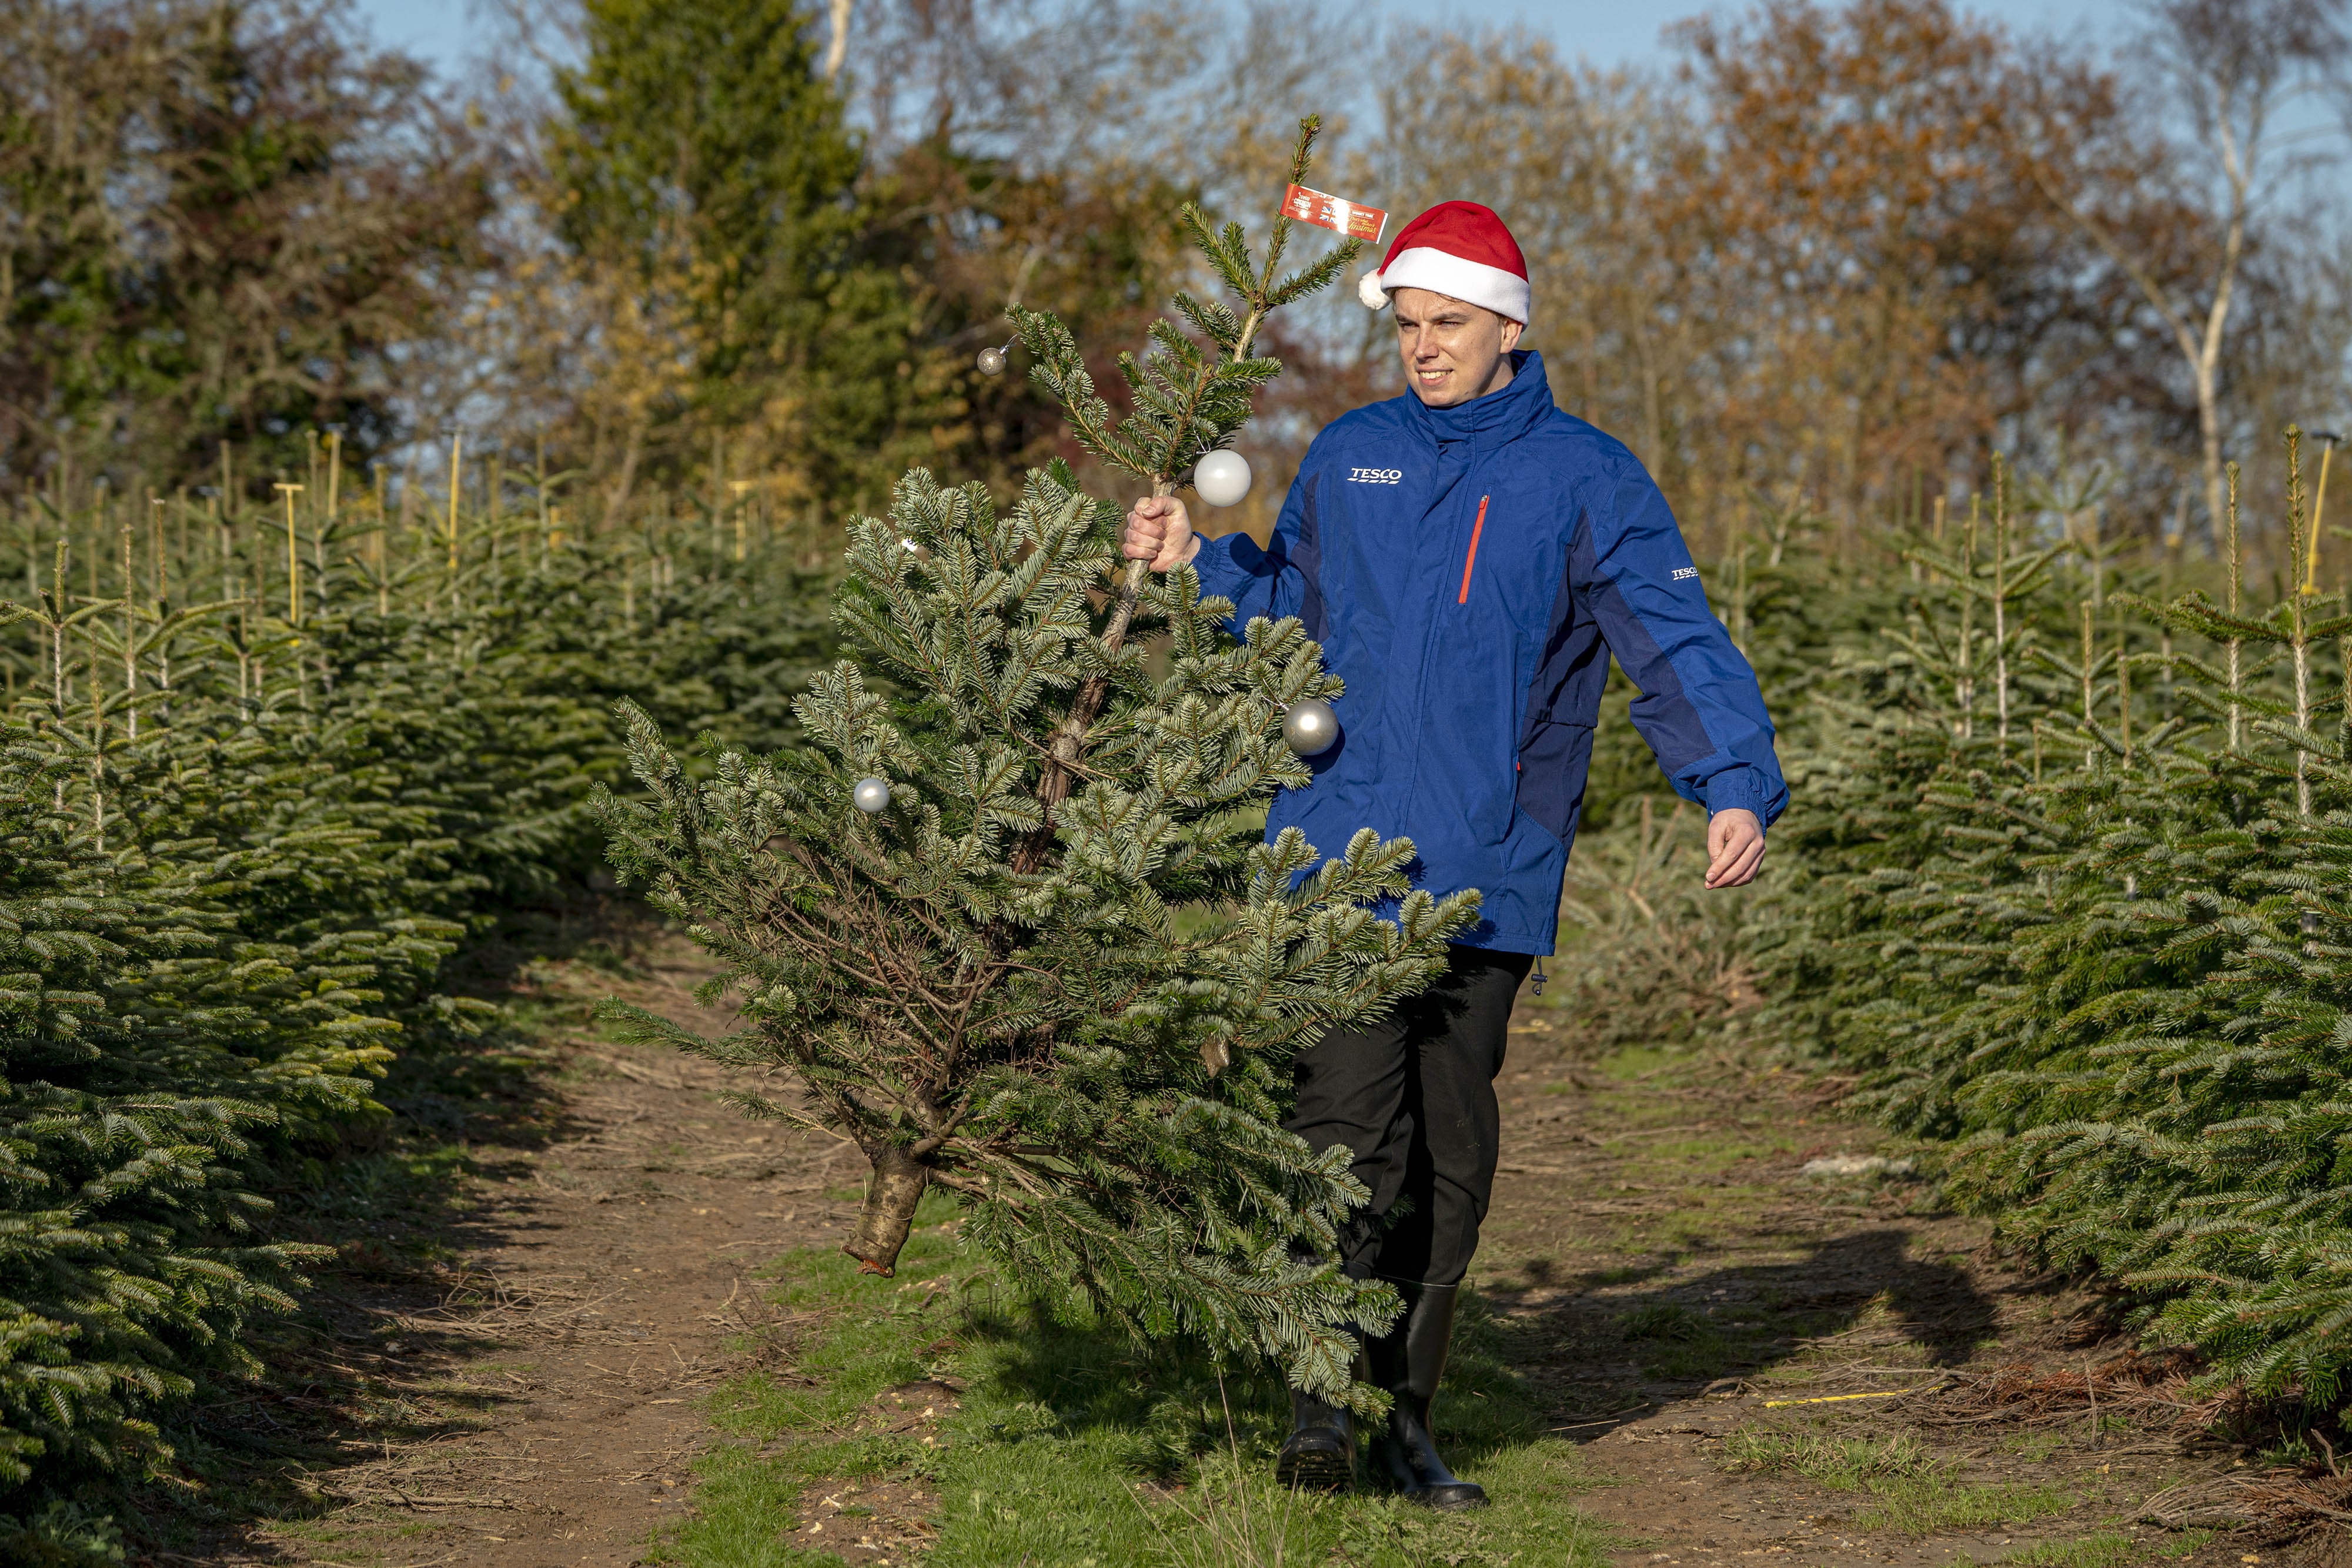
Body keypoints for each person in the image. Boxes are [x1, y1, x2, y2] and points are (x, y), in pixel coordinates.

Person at [1121, 200, 1786, 1509]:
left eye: (1450, 327)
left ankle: (1404, 1420)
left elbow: (1670, 640)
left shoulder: (1585, 478)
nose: (1423, 348)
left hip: (1490, 860)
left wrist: (1730, 783)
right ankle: (1319, 1401)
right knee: (1341, 1130)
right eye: (1410, 326)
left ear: (1509, 330)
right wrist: (1194, 564)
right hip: (1336, 852)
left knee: (1449, 1154)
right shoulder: (1349, 452)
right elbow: (1281, 615)